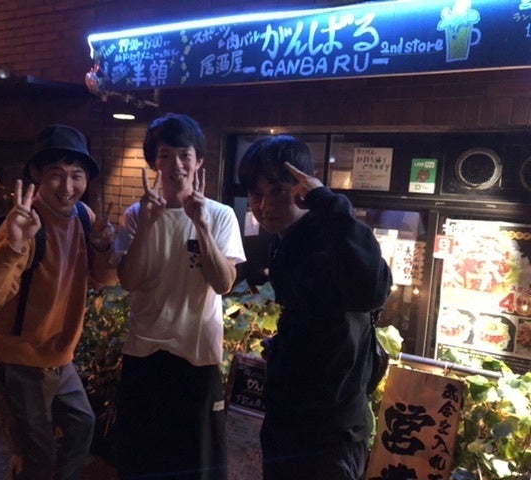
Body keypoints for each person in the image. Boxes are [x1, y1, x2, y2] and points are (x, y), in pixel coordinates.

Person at [0, 124, 116, 480]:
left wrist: (103, 246)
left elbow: (105, 279)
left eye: (76, 175)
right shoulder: (24, 223)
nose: (67, 186)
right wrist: (13, 245)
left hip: (57, 358)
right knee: (36, 459)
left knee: (81, 426)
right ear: (36, 176)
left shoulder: (83, 216)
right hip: (16, 359)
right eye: (56, 174)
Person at [237, 135, 393, 480]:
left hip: (330, 433)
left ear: (302, 189)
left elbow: (373, 291)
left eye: (277, 191)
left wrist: (327, 201)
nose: (264, 205)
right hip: (290, 419)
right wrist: (281, 348)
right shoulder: (285, 241)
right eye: (256, 194)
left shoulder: (332, 236)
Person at [110, 113, 246, 480]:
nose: (176, 165)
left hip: (197, 355)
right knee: (142, 462)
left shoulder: (220, 215)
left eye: (185, 155)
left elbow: (223, 283)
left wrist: (201, 226)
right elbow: (130, 281)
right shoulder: (135, 215)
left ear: (199, 161)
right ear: (154, 162)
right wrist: (148, 224)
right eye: (165, 155)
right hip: (144, 352)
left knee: (197, 465)